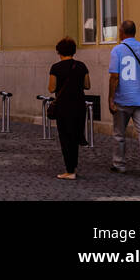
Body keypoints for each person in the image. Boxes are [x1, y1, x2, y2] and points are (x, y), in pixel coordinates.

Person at [108, 18, 140, 174]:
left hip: (123, 98)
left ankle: (119, 164)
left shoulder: (117, 50)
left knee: (119, 133)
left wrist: (111, 98)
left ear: (122, 33)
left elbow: (114, 76)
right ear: (134, 32)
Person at [48, 37, 90, 180]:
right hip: (78, 105)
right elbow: (87, 85)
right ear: (73, 51)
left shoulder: (56, 68)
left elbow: (51, 88)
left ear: (59, 51)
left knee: (65, 138)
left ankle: (70, 170)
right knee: (75, 136)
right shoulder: (81, 66)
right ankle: (73, 167)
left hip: (63, 107)